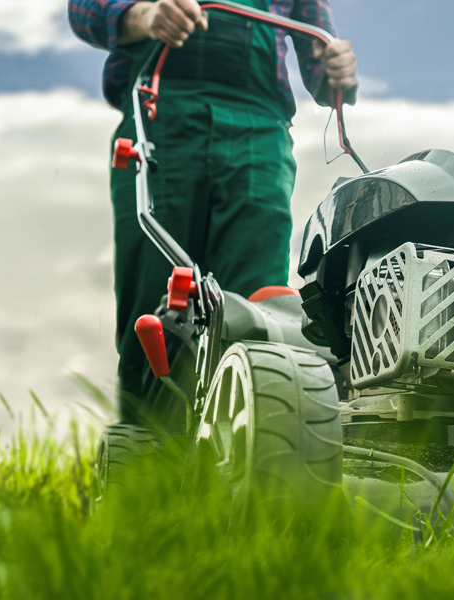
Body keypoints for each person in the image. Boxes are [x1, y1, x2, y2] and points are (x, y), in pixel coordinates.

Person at [68, 0, 358, 427]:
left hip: (259, 130)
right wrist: (145, 16)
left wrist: (338, 70)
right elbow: (86, 9)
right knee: (157, 304)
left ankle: (247, 462)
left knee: (260, 313)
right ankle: (145, 465)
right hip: (163, 111)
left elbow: (321, 59)